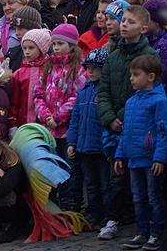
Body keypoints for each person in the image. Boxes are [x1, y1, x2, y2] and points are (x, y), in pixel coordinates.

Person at [97, 4, 157, 241]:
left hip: (138, 127)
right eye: (123, 20)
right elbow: (103, 92)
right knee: (116, 177)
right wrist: (110, 117)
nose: (124, 24)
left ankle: (148, 227)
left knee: (143, 183)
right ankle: (112, 219)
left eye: (130, 22)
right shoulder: (113, 57)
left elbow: (144, 92)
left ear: (143, 28)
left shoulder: (149, 57)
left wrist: (123, 115)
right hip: (114, 127)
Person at [114, 54, 167, 251]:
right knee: (138, 198)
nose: (131, 79)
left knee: (154, 198)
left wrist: (160, 157)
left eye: (136, 75)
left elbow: (163, 132)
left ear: (151, 77)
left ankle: (156, 234)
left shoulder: (159, 101)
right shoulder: (131, 102)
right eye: (131, 75)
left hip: (151, 159)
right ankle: (141, 232)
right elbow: (126, 131)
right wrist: (120, 154)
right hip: (134, 159)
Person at [34, 23, 84, 208]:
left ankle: (72, 202)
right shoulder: (49, 67)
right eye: (54, 43)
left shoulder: (76, 69)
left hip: (67, 128)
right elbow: (38, 93)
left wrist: (58, 117)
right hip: (49, 128)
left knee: (69, 166)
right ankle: (57, 200)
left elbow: (76, 96)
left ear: (71, 46)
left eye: (60, 44)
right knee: (52, 164)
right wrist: (45, 115)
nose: (56, 47)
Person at [66, 46, 110, 229]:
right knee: (90, 185)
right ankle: (94, 214)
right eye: (88, 68)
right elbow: (75, 120)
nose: (90, 71)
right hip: (84, 147)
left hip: (101, 147)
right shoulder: (83, 92)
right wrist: (72, 142)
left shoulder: (106, 91)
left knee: (105, 184)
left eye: (95, 68)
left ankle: (108, 216)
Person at [10, 29, 50, 131]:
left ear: (41, 49)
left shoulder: (50, 70)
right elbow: (14, 101)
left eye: (31, 48)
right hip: (23, 124)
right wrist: (12, 124)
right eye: (24, 48)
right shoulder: (19, 73)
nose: (27, 51)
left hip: (45, 124)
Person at [142, 0, 167, 87]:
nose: (141, 21)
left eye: (146, 18)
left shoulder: (164, 46)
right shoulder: (145, 39)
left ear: (157, 22)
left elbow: (160, 77)